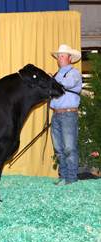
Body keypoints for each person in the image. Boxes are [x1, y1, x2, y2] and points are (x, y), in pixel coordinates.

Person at [49, 44, 82, 185]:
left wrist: (52, 81)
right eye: (58, 56)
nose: (59, 58)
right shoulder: (56, 75)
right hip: (56, 114)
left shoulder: (73, 73)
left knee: (69, 148)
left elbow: (69, 83)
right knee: (59, 148)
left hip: (69, 115)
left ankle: (72, 178)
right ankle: (63, 177)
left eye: (62, 56)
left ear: (70, 58)